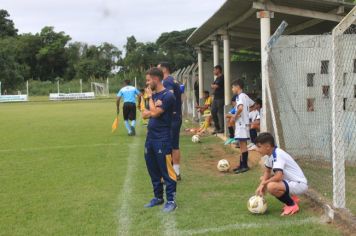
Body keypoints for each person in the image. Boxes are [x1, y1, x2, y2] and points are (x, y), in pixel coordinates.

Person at [142, 67, 177, 213]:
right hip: (150, 137)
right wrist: (152, 111)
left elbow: (155, 113)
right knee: (153, 170)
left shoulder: (168, 96)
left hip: (162, 138)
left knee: (166, 172)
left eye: (148, 80)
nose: (147, 83)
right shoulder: (155, 96)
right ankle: (158, 197)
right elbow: (145, 114)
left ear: (156, 79)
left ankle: (171, 200)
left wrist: (151, 100)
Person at [255, 132, 308, 216]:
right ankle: (293, 197)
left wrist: (265, 184)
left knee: (271, 186)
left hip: (299, 184)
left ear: (268, 147)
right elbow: (267, 171)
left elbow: (278, 177)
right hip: (292, 181)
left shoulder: (277, 155)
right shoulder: (271, 155)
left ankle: (292, 205)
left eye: (259, 147)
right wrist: (261, 185)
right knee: (263, 179)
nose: (256, 149)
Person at [158, 62, 183, 181]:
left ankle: (170, 173)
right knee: (174, 145)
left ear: (164, 69)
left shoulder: (167, 81)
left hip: (171, 118)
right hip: (176, 116)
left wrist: (160, 103)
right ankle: (176, 172)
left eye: (158, 69)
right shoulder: (174, 80)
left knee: (168, 145)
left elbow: (169, 97)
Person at [231, 79, 255, 174]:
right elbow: (253, 105)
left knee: (242, 145)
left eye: (233, 87)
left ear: (238, 87)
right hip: (243, 124)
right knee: (241, 145)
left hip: (241, 124)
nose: (232, 89)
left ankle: (244, 165)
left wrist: (235, 116)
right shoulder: (245, 96)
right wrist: (246, 113)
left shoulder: (240, 96)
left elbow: (240, 108)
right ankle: (242, 164)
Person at [211, 65, 225, 134]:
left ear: (218, 70)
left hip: (220, 98)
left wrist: (214, 86)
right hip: (215, 98)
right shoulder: (217, 78)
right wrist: (214, 86)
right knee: (213, 111)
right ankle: (217, 127)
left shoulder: (222, 77)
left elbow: (215, 86)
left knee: (220, 113)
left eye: (214, 70)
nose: (213, 71)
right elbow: (212, 86)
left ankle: (222, 129)